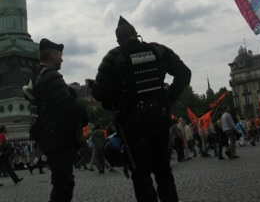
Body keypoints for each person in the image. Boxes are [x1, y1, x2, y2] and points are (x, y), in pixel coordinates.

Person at [91, 16, 191, 202]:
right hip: (159, 118)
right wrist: (168, 99)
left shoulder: (112, 58)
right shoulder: (158, 50)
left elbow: (98, 94)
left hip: (132, 124)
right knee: (163, 171)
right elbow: (184, 73)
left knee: (141, 174)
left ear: (118, 41)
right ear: (136, 34)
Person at [25, 38, 88, 202]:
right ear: (53, 56)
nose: (62, 59)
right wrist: (83, 114)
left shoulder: (36, 76)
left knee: (62, 181)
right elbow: (66, 105)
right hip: (58, 136)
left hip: (48, 135)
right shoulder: (52, 76)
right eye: (60, 55)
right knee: (63, 183)